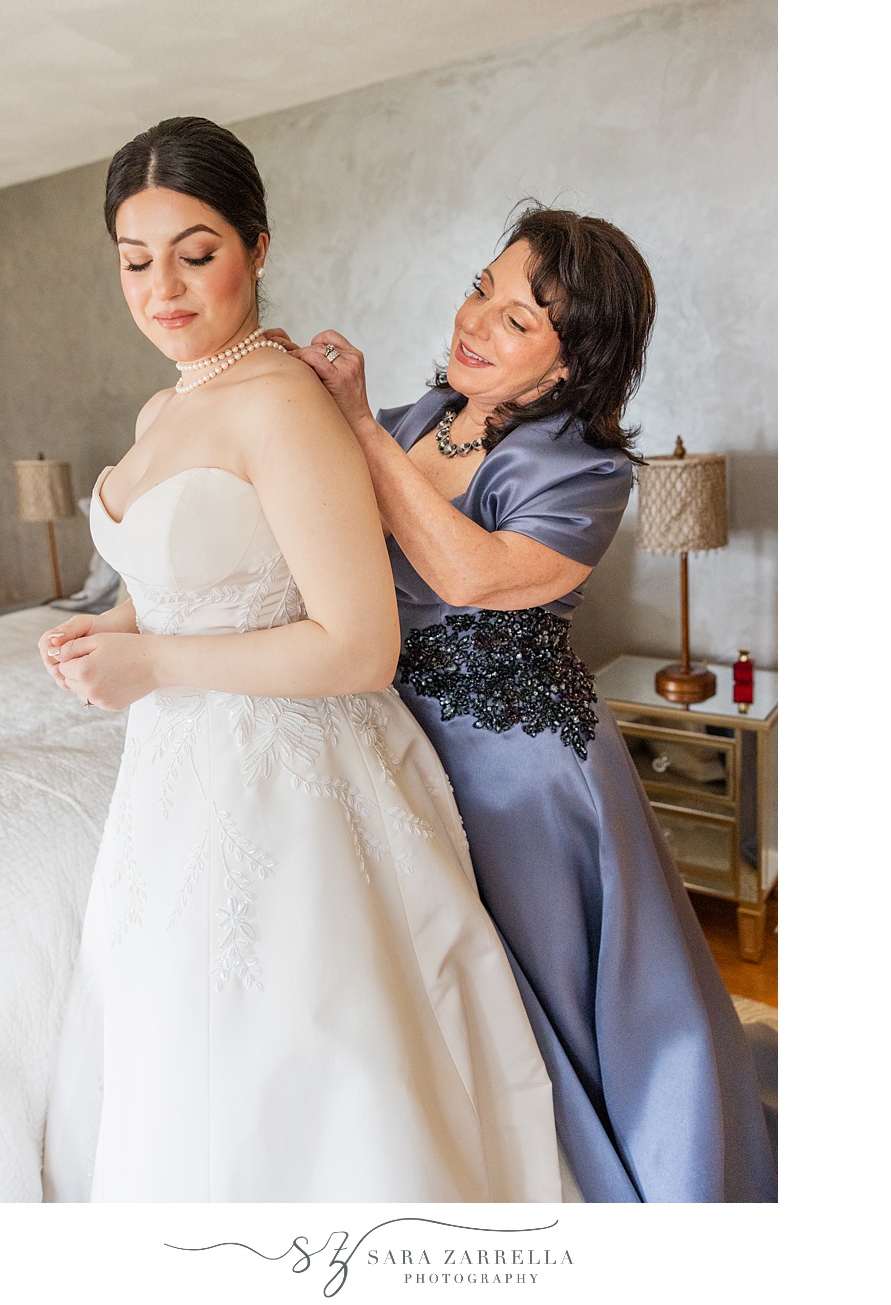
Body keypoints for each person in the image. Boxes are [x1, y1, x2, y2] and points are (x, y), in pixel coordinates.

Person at [35, 118, 572, 1203]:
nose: (163, 289)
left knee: (295, 1064)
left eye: (196, 252)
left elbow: (358, 644)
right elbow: (192, 571)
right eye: (135, 262)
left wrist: (151, 663)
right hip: (174, 772)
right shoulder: (161, 407)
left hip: (284, 772)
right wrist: (114, 625)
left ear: (259, 245)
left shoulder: (281, 403)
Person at [287, 205, 777, 1203]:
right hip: (405, 742)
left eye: (519, 319)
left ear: (570, 364)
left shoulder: (583, 466)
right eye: (482, 288)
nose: (475, 320)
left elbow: (468, 574)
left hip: (527, 774)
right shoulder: (418, 418)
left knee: (562, 996)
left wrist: (351, 423)